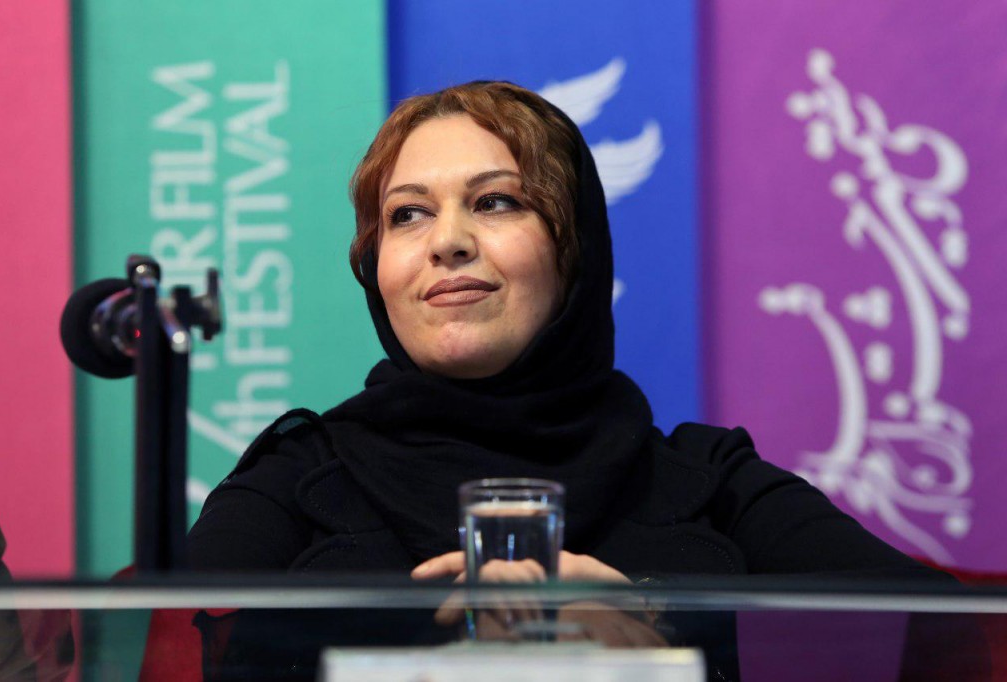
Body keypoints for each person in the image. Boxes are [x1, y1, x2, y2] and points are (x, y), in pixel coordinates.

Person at [185, 81, 966, 679]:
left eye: (496, 202)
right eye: (407, 214)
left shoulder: (709, 479)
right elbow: (160, 649)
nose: (446, 241)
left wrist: (658, 634)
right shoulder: (297, 477)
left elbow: (949, 642)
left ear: (575, 249)